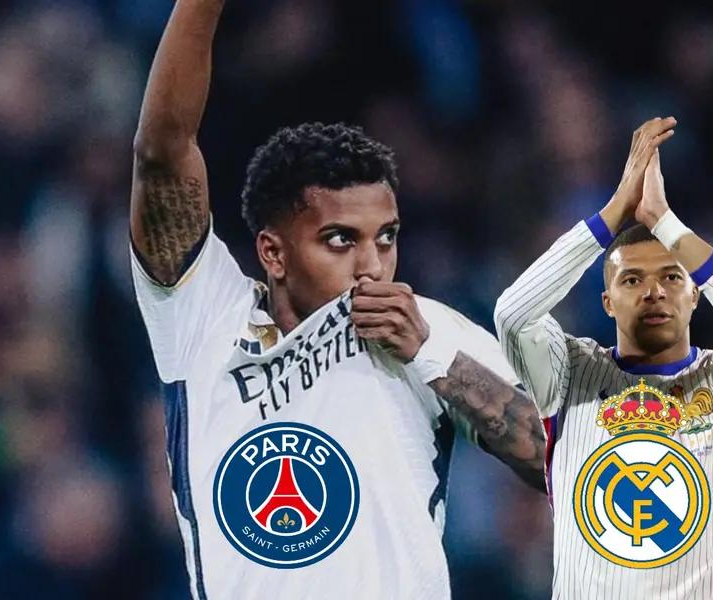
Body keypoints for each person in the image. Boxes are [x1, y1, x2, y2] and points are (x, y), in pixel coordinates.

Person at [128, 2, 545, 598]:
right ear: (273, 253)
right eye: (341, 240)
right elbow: (161, 153)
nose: (372, 265)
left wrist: (429, 356)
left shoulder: (425, 328)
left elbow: (554, 465)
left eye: (387, 238)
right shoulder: (204, 320)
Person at [494, 117, 713, 599]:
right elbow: (512, 314)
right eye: (631, 280)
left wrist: (665, 222)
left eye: (672, 277)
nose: (654, 291)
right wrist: (614, 212)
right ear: (607, 302)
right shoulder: (568, 374)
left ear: (696, 295)